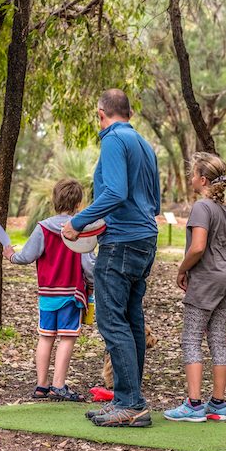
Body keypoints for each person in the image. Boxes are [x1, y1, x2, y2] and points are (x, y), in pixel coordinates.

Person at [63, 89, 161, 428]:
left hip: (121, 242)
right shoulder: (145, 146)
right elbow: (155, 202)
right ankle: (127, 400)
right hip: (146, 239)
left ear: (100, 113)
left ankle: (131, 402)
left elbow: (115, 192)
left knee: (110, 320)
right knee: (132, 320)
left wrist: (77, 222)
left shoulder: (114, 141)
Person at [164, 152, 226, 423]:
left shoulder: (201, 208)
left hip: (206, 280)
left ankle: (194, 405)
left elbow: (198, 246)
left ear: (203, 179)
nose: (191, 178)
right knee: (217, 338)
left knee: (191, 339)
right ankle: (218, 404)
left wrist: (182, 269)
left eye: (193, 174)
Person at [5, 178, 95, 402]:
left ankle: (42, 384)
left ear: (54, 200)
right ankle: (59, 385)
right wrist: (93, 284)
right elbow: (88, 266)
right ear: (78, 204)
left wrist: (10, 255)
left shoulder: (42, 227)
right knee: (66, 338)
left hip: (47, 293)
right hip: (71, 292)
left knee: (45, 337)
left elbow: (27, 256)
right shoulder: (79, 230)